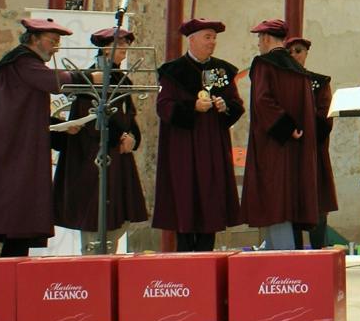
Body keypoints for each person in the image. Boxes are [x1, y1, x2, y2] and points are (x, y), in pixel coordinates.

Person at [0, 17, 76, 258]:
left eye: (58, 42)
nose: (56, 47)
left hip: (11, 151)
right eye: (52, 41)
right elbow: (53, 81)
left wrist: (58, 125)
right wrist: (88, 78)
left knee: (19, 219)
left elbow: (22, 115)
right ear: (34, 39)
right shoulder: (22, 61)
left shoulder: (20, 64)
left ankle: (11, 277)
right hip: (1, 154)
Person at [153, 18, 244, 252]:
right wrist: (192, 107)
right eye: (207, 37)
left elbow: (237, 104)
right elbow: (163, 107)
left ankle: (207, 256)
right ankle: (185, 260)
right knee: (186, 198)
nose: (212, 42)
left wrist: (226, 107)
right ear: (191, 39)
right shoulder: (172, 71)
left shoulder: (222, 71)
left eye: (214, 38)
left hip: (212, 146)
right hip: (183, 148)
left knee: (210, 199)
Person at [53, 27, 148, 253]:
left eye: (126, 44)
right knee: (95, 214)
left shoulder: (121, 79)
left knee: (118, 216)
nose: (125, 49)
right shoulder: (89, 78)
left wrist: (133, 137)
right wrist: (119, 137)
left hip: (118, 154)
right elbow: (92, 115)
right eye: (121, 44)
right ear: (106, 48)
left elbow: (129, 113)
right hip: (94, 155)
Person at [242, 19, 319, 251]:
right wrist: (294, 130)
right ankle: (275, 254)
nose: (258, 44)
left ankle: (282, 260)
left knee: (275, 201)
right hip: (297, 148)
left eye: (259, 39)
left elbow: (262, 101)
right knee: (287, 200)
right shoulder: (300, 71)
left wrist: (285, 128)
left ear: (266, 39)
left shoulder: (264, 64)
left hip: (273, 145)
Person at [285, 36, 338, 250]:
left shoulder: (320, 83)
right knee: (291, 206)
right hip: (288, 153)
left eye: (299, 51)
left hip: (314, 153)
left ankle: (319, 252)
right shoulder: (281, 82)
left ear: (306, 54)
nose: (294, 55)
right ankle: (295, 257)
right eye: (290, 51)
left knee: (317, 205)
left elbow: (326, 118)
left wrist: (303, 123)